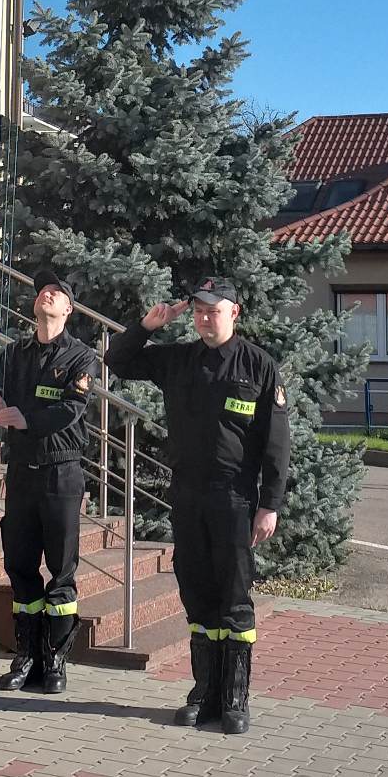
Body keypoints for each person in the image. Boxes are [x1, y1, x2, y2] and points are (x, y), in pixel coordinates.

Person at [105, 277, 291, 736]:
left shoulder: (258, 366)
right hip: (187, 495)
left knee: (234, 596)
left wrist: (269, 505)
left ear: (234, 313)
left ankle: (234, 698)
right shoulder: (178, 360)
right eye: (200, 310)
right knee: (197, 592)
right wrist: (148, 326)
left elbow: (276, 444)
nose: (206, 318)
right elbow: (117, 361)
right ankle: (203, 693)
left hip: (234, 497)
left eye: (215, 310)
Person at [0, 269, 99, 695]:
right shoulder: (14, 354)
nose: (46, 295)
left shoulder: (80, 357)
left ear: (68, 308)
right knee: (19, 564)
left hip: (60, 472)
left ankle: (55, 660)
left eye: (56, 292)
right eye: (42, 292)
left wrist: (26, 419)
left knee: (61, 569)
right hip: (21, 471)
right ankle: (27, 655)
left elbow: (72, 408)